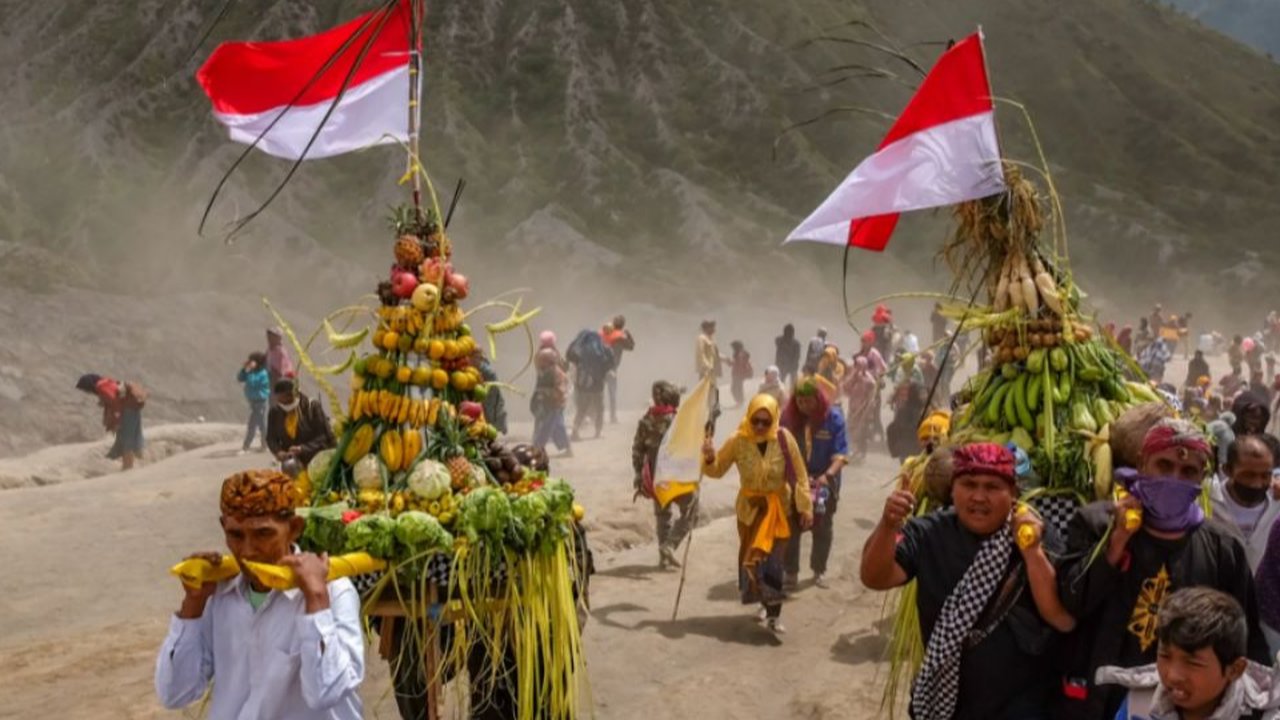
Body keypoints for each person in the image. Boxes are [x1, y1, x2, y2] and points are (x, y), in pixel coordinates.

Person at [1055, 419, 1269, 720]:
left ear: (1202, 479)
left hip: (1182, 702)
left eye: (1188, 472)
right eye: (1163, 466)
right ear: (1142, 465)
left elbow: (1243, 638)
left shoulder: (1222, 548)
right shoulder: (1097, 525)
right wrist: (1118, 540)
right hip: (1100, 696)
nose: (1174, 478)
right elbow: (1071, 602)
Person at [861, 443, 1075, 720]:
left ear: (1013, 493)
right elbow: (876, 578)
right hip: (950, 704)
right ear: (952, 490)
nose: (978, 496)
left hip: (1023, 705)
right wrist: (888, 525)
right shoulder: (928, 533)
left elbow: (1061, 619)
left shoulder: (1035, 534)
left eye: (992, 486)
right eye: (969, 484)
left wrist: (1032, 551)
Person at [155, 469, 363, 718]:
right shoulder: (218, 593)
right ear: (224, 528)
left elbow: (325, 692)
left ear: (294, 528)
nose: (248, 551)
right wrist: (193, 604)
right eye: (236, 535)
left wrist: (315, 598)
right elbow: (175, 694)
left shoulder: (333, 591)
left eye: (263, 534)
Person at [701, 395, 813, 635]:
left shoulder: (784, 438)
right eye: (756, 421)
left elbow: (801, 474)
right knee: (753, 560)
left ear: (774, 418)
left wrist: (805, 507)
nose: (760, 426)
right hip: (750, 511)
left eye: (765, 421)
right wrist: (709, 456)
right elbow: (717, 470)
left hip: (778, 510)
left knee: (774, 562)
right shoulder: (738, 440)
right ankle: (763, 602)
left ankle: (774, 615)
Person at [1097, 587, 1280, 720]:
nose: (1173, 675)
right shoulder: (1139, 704)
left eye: (1193, 663)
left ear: (1235, 669)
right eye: (1165, 656)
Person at [780, 378, 848, 590]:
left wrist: (826, 476)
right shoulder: (788, 419)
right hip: (796, 483)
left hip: (823, 483)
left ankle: (818, 570)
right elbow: (780, 449)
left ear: (818, 399)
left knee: (821, 525)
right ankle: (790, 572)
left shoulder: (833, 418)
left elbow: (841, 455)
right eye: (800, 402)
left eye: (808, 401)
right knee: (791, 526)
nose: (804, 406)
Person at [632, 381, 697, 569]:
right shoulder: (677, 420)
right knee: (692, 510)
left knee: (663, 515)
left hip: (655, 476)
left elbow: (637, 449)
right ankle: (669, 546)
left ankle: (663, 557)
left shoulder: (646, 420)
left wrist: (638, 474)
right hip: (674, 475)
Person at [1209, 435, 1280, 571]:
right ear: (1228, 470)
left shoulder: (1277, 503)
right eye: (1248, 475)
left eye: (1265, 475)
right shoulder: (1208, 500)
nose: (1257, 484)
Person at [76, 373, 145, 471]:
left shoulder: (100, 386)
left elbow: (115, 402)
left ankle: (128, 468)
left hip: (126, 411)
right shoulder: (106, 381)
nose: (87, 392)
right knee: (127, 439)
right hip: (131, 409)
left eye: (85, 389)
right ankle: (130, 464)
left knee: (126, 440)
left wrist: (116, 421)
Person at [266, 377, 336, 474]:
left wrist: (302, 448)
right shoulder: (275, 412)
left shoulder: (312, 407)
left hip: (316, 462)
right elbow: (271, 438)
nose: (285, 403)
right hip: (292, 465)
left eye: (288, 398)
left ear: (296, 393)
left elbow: (324, 436)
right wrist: (278, 452)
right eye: (281, 401)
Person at [567, 328, 613, 441]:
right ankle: (598, 431)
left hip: (583, 383)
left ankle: (575, 431)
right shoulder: (603, 348)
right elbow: (610, 362)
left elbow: (569, 356)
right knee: (599, 408)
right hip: (598, 384)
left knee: (581, 409)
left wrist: (576, 341)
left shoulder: (579, 350)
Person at [532, 331, 571, 456]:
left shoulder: (555, 371)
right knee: (556, 426)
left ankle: (537, 447)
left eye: (544, 360)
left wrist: (548, 394)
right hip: (548, 401)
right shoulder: (548, 365)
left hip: (554, 402)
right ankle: (566, 449)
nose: (540, 362)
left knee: (547, 425)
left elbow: (560, 389)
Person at [600, 315, 635, 425]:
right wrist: (628, 334)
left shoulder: (604, 334)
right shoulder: (620, 338)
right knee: (612, 393)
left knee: (598, 392)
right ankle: (613, 417)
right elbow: (631, 346)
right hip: (612, 368)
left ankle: (596, 416)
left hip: (599, 367)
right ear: (623, 325)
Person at [842, 356, 877, 464]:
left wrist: (868, 411)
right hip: (853, 409)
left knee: (861, 432)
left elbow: (871, 398)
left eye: (858, 365)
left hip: (863, 410)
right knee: (850, 430)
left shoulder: (869, 380)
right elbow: (845, 388)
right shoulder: (854, 377)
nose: (856, 367)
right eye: (856, 365)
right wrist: (854, 376)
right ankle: (851, 452)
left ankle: (860, 454)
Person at [236, 352, 271, 455]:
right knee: (262, 425)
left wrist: (249, 371)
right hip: (253, 402)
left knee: (252, 424)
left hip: (260, 402)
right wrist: (244, 369)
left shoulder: (263, 373)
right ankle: (265, 445)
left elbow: (253, 383)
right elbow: (240, 378)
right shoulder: (251, 372)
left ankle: (245, 447)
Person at [886, 381, 928, 463]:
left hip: (921, 450)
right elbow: (899, 429)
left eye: (924, 394)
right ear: (915, 394)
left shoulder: (926, 409)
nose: (923, 397)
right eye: (921, 394)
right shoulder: (905, 411)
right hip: (908, 450)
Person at [471, 349, 508, 435]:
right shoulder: (472, 369)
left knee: (492, 412)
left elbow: (492, 389)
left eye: (474, 357)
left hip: (489, 396)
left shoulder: (488, 371)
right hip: (481, 396)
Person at [729, 340, 753, 408]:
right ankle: (740, 402)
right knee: (737, 388)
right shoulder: (739, 353)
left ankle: (740, 402)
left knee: (735, 388)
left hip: (739, 373)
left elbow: (741, 363)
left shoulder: (740, 353)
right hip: (738, 373)